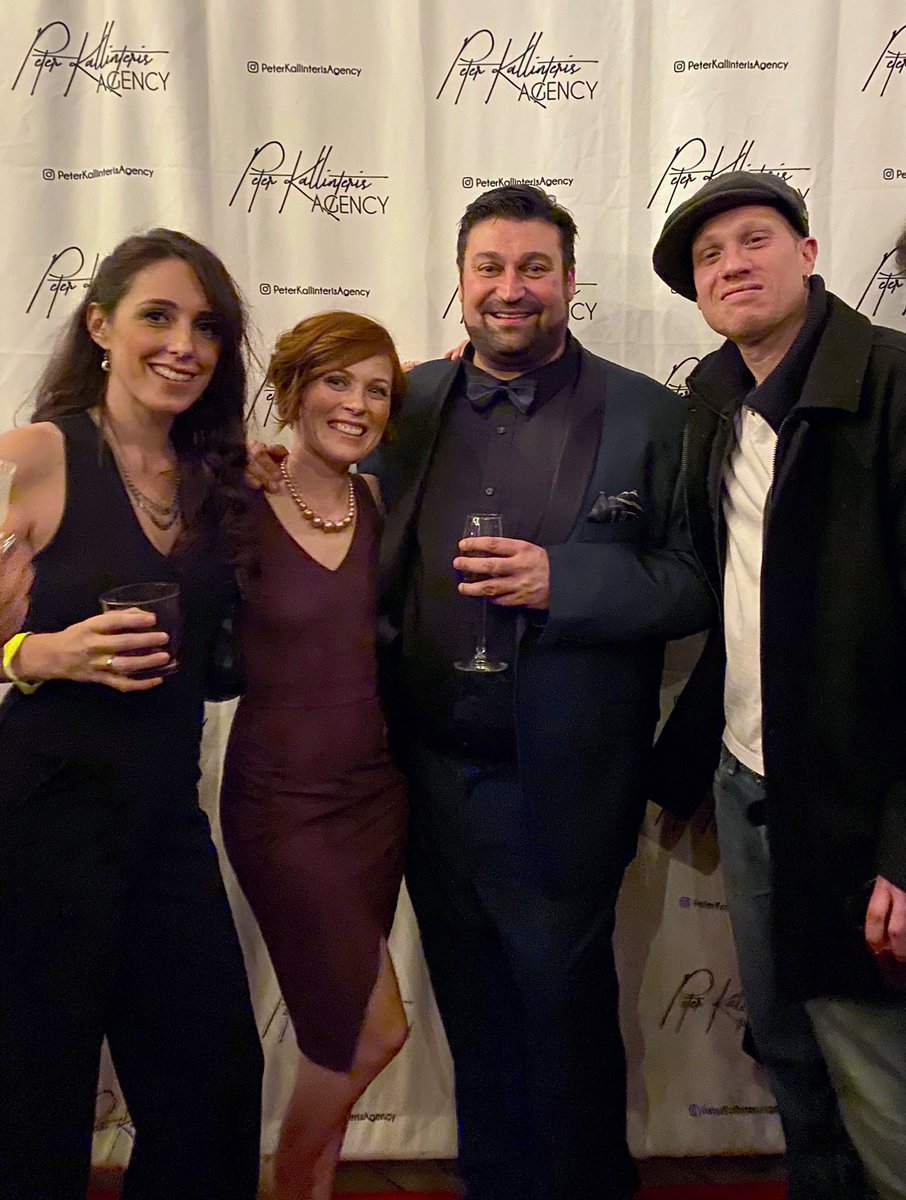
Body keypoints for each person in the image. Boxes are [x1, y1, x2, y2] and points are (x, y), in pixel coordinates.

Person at [358, 185, 714, 1200]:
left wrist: (571, 582)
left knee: (563, 1015)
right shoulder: (405, 401)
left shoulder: (653, 414)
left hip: (565, 781)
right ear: (460, 280)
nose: (510, 289)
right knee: (471, 1014)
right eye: (490, 267)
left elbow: (696, 582)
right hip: (426, 778)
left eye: (534, 268)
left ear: (569, 280)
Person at [651, 171, 906, 1200]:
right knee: (792, 1055)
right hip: (747, 782)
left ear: (807, 254)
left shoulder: (892, 385)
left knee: (878, 1077)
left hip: (861, 804)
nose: (732, 266)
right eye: (709, 258)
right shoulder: (715, 405)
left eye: (754, 240)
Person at [0, 229, 263, 1200]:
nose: (184, 345)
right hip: (37, 825)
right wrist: (36, 654)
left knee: (215, 1089)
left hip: (163, 827)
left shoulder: (216, 478)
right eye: (158, 316)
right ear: (101, 326)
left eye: (207, 326)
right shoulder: (36, 454)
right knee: (34, 1106)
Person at [220, 311, 409, 1200]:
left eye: (377, 390)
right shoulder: (235, 505)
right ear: (293, 389)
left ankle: (312, 1187)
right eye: (337, 381)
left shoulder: (382, 504)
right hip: (282, 807)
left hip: (376, 799)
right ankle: (289, 1181)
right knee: (375, 1030)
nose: (357, 405)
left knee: (334, 1031)